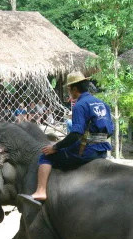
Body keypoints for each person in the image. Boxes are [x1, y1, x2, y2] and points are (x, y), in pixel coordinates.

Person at [31, 72, 113, 202]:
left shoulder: (80, 105)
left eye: (69, 89)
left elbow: (76, 134)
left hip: (87, 152)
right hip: (102, 150)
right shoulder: (102, 104)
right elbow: (110, 131)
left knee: (45, 156)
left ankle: (41, 191)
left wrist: (55, 147)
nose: (69, 92)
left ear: (75, 89)